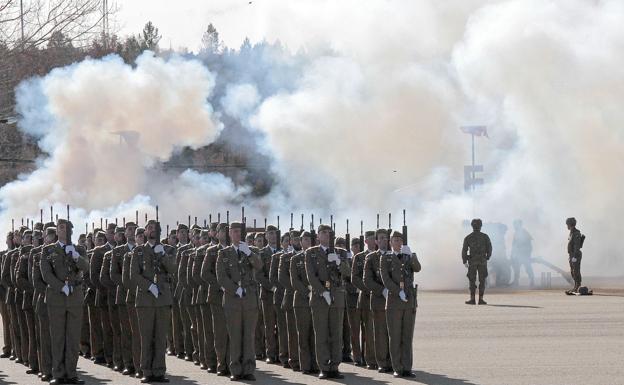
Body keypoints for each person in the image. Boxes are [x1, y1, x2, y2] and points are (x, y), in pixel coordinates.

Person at [40, 219, 89, 385]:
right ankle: (58, 374)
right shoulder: (48, 250)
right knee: (58, 337)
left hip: (74, 298)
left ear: (71, 231)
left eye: (67, 228)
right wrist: (61, 287)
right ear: (57, 231)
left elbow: (86, 267)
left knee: (73, 338)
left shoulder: (79, 249)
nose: (64, 230)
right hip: (57, 298)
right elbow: (46, 274)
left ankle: (71, 373)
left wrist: (75, 256)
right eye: (61, 228)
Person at [130, 219, 177, 383]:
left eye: (155, 228)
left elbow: (173, 269)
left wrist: (162, 254)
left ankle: (159, 371)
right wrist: (149, 286)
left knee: (160, 337)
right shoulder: (139, 251)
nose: (152, 231)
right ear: (145, 232)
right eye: (149, 228)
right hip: (145, 300)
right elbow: (134, 275)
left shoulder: (168, 250)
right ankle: (146, 371)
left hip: (163, 300)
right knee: (147, 336)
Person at [216, 221, 263, 381]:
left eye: (239, 232)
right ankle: (235, 369)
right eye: (234, 231)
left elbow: (259, 266)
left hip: (249, 299)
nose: (237, 234)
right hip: (232, 300)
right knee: (235, 335)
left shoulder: (251, 251)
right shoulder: (224, 253)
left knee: (248, 336)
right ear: (229, 233)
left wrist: (248, 252)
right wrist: (234, 288)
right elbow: (221, 276)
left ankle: (248, 369)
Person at [305, 224, 351, 379]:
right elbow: (311, 276)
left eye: (329, 232)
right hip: (320, 298)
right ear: (318, 236)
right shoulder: (311, 253)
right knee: (322, 334)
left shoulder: (341, 252)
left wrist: (339, 262)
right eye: (323, 232)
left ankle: (335, 366)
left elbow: (347, 273)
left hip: (337, 297)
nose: (327, 235)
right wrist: (323, 291)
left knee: (336, 334)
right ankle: (324, 367)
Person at [380, 231, 421, 378]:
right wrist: (398, 291)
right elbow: (386, 279)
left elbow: (417, 268)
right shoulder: (385, 258)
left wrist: (412, 255)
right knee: (395, 336)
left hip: (409, 302)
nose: (398, 242)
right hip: (394, 302)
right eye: (395, 240)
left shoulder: (408, 256)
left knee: (407, 336)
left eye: (400, 240)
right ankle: (397, 367)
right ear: (391, 242)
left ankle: (407, 367)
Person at [462, 219, 492, 305]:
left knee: (472, 280)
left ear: (472, 226)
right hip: (482, 261)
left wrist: (464, 260)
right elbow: (489, 248)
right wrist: (487, 256)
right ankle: (481, 299)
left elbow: (464, 251)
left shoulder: (468, 237)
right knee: (482, 280)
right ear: (481, 226)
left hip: (472, 261)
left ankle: (472, 299)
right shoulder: (485, 236)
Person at [510, 220, 534, 287]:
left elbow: (529, 245)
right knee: (516, 268)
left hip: (524, 254)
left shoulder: (524, 232)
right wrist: (512, 254)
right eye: (514, 225)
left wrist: (527, 254)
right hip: (518, 254)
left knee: (528, 267)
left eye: (515, 225)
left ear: (520, 225)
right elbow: (514, 245)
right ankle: (516, 282)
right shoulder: (516, 233)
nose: (514, 226)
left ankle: (532, 280)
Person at [566, 217, 584, 292]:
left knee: (576, 271)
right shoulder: (572, 233)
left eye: (567, 224)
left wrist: (575, 256)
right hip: (572, 255)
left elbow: (577, 246)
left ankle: (578, 286)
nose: (567, 226)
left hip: (575, 255)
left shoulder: (576, 233)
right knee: (573, 271)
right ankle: (576, 286)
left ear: (570, 224)